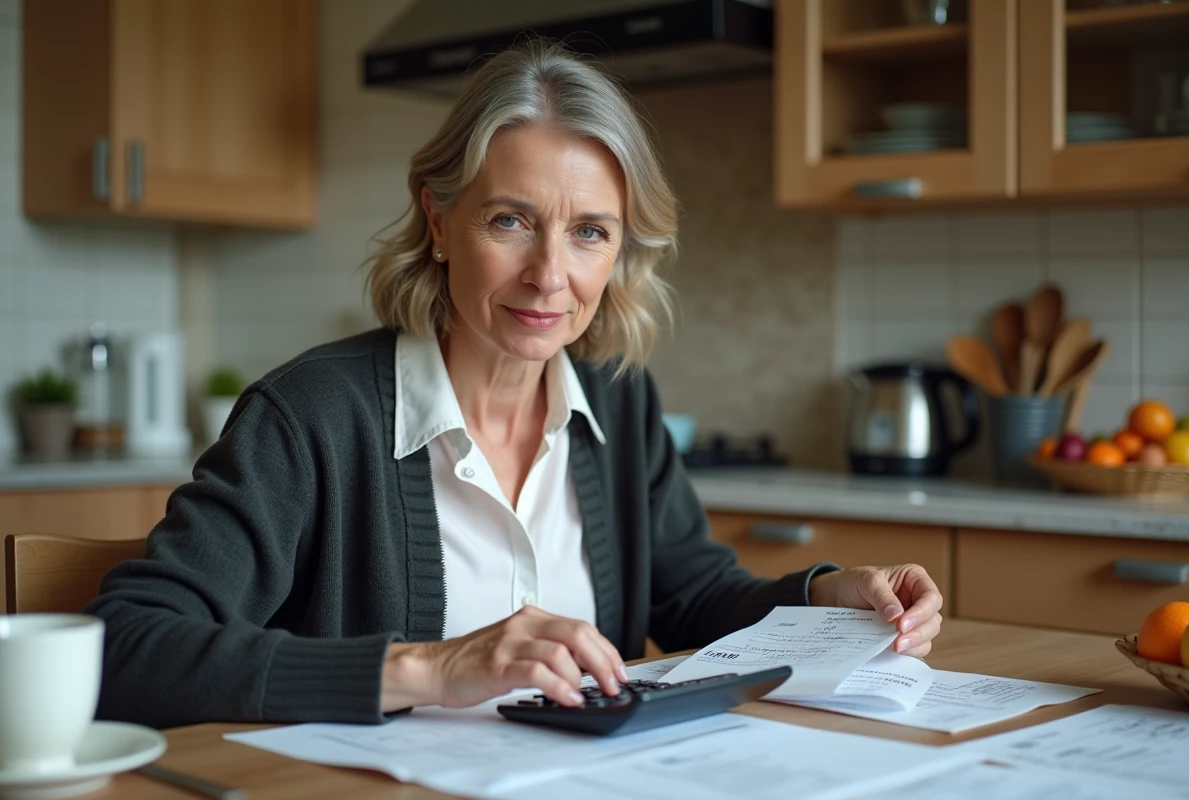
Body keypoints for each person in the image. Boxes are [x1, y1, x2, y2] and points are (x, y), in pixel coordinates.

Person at [87, 40, 942, 730]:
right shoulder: (311, 415)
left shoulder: (616, 398)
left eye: (589, 233)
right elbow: (123, 648)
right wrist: (432, 667)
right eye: (511, 221)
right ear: (439, 220)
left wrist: (825, 595)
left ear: (619, 254)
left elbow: (690, 598)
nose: (549, 275)